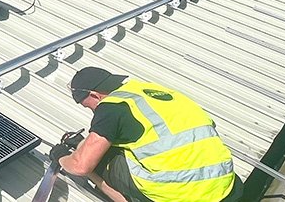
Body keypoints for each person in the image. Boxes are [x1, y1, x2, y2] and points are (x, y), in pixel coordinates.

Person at [49, 66, 241, 202]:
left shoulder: (111, 106)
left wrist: (61, 157)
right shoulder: (150, 90)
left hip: (183, 193)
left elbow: (81, 166)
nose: (90, 110)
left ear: (94, 95)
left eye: (87, 105)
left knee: (99, 163)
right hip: (223, 180)